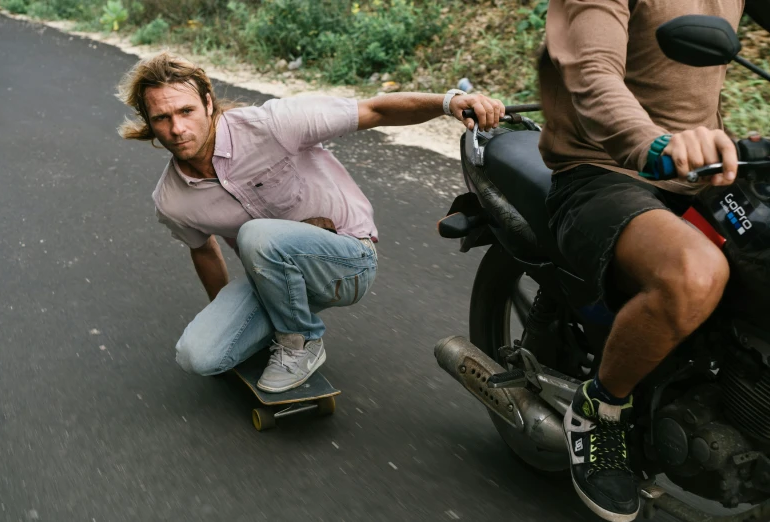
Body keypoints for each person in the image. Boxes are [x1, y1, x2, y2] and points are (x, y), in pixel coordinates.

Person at [117, 52, 505, 393]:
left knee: (257, 234)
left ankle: (300, 343)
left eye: (186, 111)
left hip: (348, 261)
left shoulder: (272, 124)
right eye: (162, 118)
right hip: (272, 278)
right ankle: (283, 318)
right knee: (197, 356)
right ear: (149, 123)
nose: (177, 129)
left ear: (207, 103)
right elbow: (202, 250)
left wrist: (450, 101)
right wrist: (229, 317)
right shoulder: (170, 199)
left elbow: (375, 110)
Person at [539, 1, 770, 521]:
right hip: (603, 169)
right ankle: (601, 408)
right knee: (697, 273)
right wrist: (652, 141)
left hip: (706, 167)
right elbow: (592, 71)